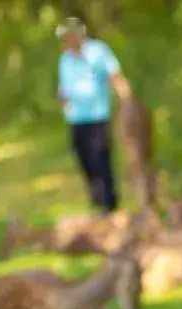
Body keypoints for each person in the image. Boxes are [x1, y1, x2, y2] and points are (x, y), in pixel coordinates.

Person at [55, 17, 129, 212]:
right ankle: (97, 198)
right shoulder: (65, 60)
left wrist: (126, 100)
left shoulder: (99, 51)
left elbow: (114, 76)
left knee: (100, 158)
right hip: (75, 117)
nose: (67, 41)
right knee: (83, 158)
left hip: (97, 115)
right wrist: (61, 97)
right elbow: (64, 87)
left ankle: (110, 203)